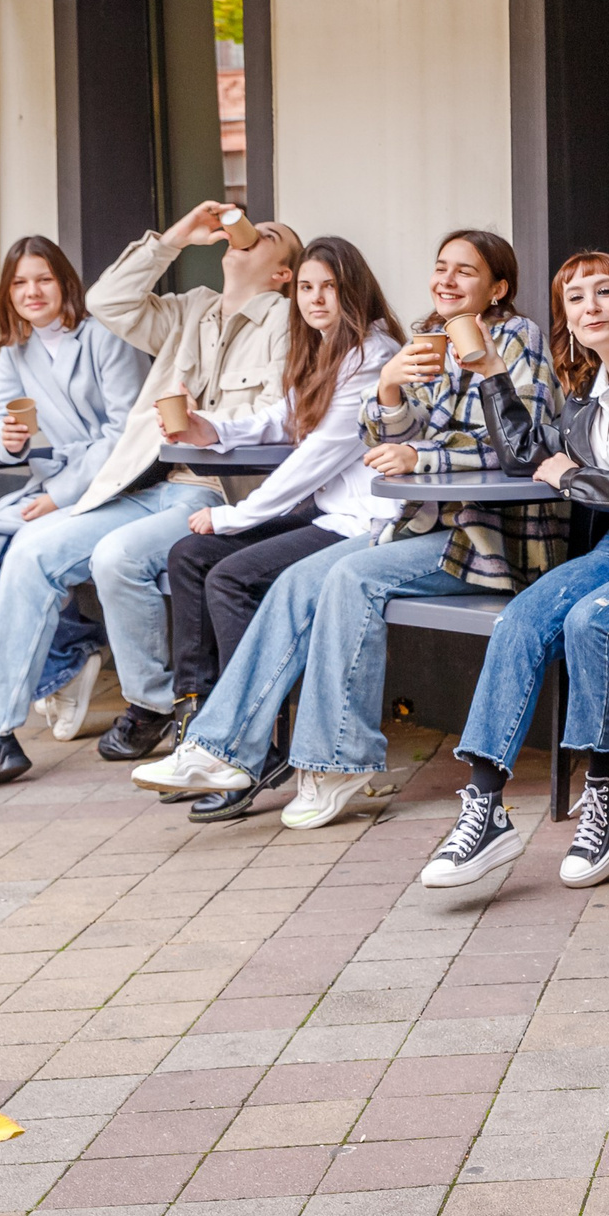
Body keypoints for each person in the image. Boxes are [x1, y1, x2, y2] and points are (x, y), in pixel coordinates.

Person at [143, 230, 561, 832]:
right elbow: (390, 435)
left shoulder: (519, 340)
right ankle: (223, 749)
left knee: (348, 577)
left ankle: (336, 763)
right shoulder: (429, 336)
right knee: (294, 582)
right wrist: (390, 386)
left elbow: (527, 447)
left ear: (498, 288)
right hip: (421, 524)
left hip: (485, 538)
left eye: (464, 273)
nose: (445, 280)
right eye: (440, 266)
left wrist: (424, 458)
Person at [0, 204, 301, 795]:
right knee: (29, 549)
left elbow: (279, 416)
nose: (250, 235)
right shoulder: (190, 308)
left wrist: (207, 423)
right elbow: (108, 302)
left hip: (212, 493)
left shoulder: (286, 321)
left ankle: (153, 704)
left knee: (116, 556)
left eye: (269, 238)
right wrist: (174, 239)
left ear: (281, 274)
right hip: (144, 483)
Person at [413, 252, 609, 890]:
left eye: (605, 292)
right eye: (575, 299)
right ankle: (484, 806)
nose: (590, 306)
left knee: (589, 622)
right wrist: (490, 370)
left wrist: (570, 476)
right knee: (519, 619)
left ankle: (605, 787)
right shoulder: (587, 393)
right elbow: (525, 454)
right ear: (565, 317)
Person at [130, 238, 404, 821]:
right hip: (326, 511)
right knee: (190, 555)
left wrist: (235, 514)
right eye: (306, 287)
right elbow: (282, 419)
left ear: (353, 288)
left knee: (231, 575)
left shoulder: (373, 354)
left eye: (329, 286)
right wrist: (211, 431)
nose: (316, 298)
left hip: (360, 521)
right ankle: (200, 726)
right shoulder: (325, 348)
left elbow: (319, 455)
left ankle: (255, 748)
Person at [0, 237, 150, 745]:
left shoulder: (104, 336)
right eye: (20, 282)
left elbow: (126, 433)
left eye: (43, 279)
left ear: (65, 282)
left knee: (15, 552)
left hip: (115, 484)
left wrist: (60, 496)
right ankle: (68, 657)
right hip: (55, 482)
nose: (32, 291)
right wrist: (4, 439)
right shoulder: (19, 350)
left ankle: (63, 667)